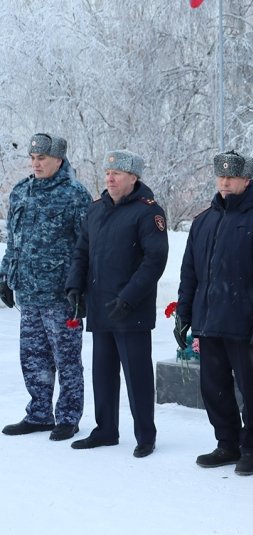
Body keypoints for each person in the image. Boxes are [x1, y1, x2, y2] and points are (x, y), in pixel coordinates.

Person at [177, 150, 253, 476]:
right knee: (213, 389)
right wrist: (184, 314)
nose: (225, 182)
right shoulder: (203, 221)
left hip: (244, 325)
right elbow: (190, 273)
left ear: (247, 179)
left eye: (232, 177)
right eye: (221, 176)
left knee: (250, 391)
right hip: (209, 322)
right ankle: (226, 443)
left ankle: (251, 448)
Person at [67, 149, 168, 458]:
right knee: (103, 373)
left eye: (117, 174)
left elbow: (155, 260)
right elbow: (82, 252)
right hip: (100, 305)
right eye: (107, 173)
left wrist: (129, 298)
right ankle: (106, 429)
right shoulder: (95, 209)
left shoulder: (147, 212)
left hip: (130, 309)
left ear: (133, 179)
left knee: (137, 375)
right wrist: (74, 287)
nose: (109, 178)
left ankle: (145, 436)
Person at [0, 133, 91, 442]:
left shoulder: (75, 194)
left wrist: (82, 289)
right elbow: (13, 240)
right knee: (33, 357)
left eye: (43, 159)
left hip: (61, 295)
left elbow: (86, 246)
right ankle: (39, 413)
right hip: (28, 292)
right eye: (34, 158)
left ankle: (68, 416)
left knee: (66, 359)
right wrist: (4, 276)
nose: (36, 163)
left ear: (59, 161)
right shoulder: (21, 192)